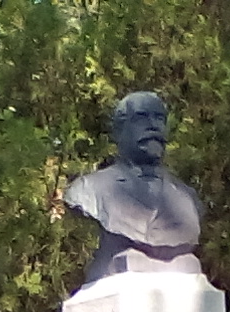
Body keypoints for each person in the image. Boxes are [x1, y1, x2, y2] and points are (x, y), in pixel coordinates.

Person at [64, 91, 205, 282]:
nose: (153, 125)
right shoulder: (89, 189)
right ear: (118, 131)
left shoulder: (187, 197)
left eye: (159, 118)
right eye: (141, 118)